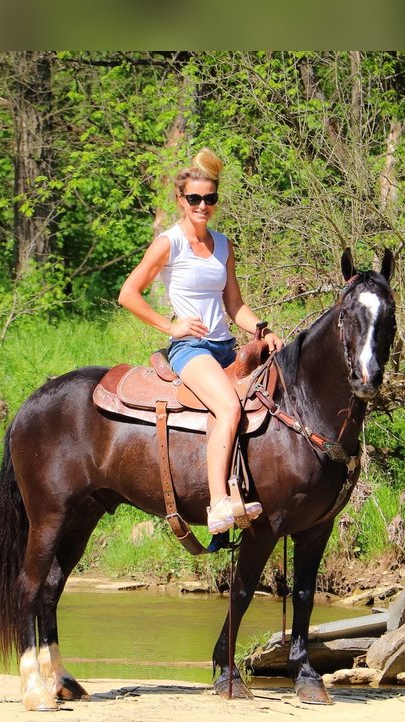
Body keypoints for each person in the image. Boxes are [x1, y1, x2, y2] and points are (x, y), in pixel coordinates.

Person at [119, 148, 285, 534]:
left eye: (209, 198)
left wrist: (262, 329)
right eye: (194, 198)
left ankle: (256, 489)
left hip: (226, 347)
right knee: (228, 406)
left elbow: (235, 304)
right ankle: (218, 504)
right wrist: (171, 326)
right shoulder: (169, 242)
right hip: (190, 351)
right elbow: (129, 293)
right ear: (180, 200)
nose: (202, 205)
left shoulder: (223, 245)